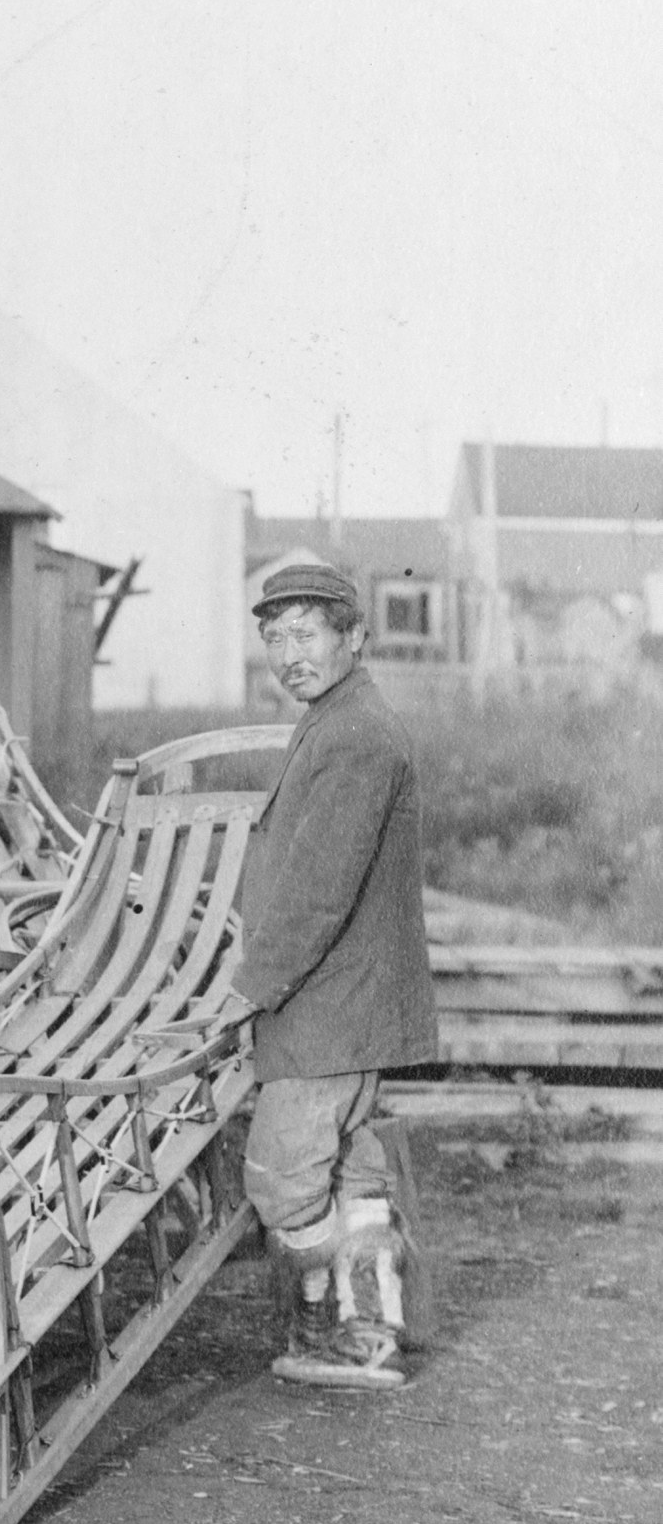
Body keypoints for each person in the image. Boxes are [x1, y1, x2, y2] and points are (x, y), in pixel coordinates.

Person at [233, 562, 437, 1392]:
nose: (288, 654)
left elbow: (317, 894)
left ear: (353, 636)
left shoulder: (352, 734)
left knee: (281, 1176)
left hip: (324, 1009)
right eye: (274, 637)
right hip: (345, 1009)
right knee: (349, 1167)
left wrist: (243, 991)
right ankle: (373, 1329)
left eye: (305, 633)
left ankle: (335, 1325)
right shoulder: (342, 717)